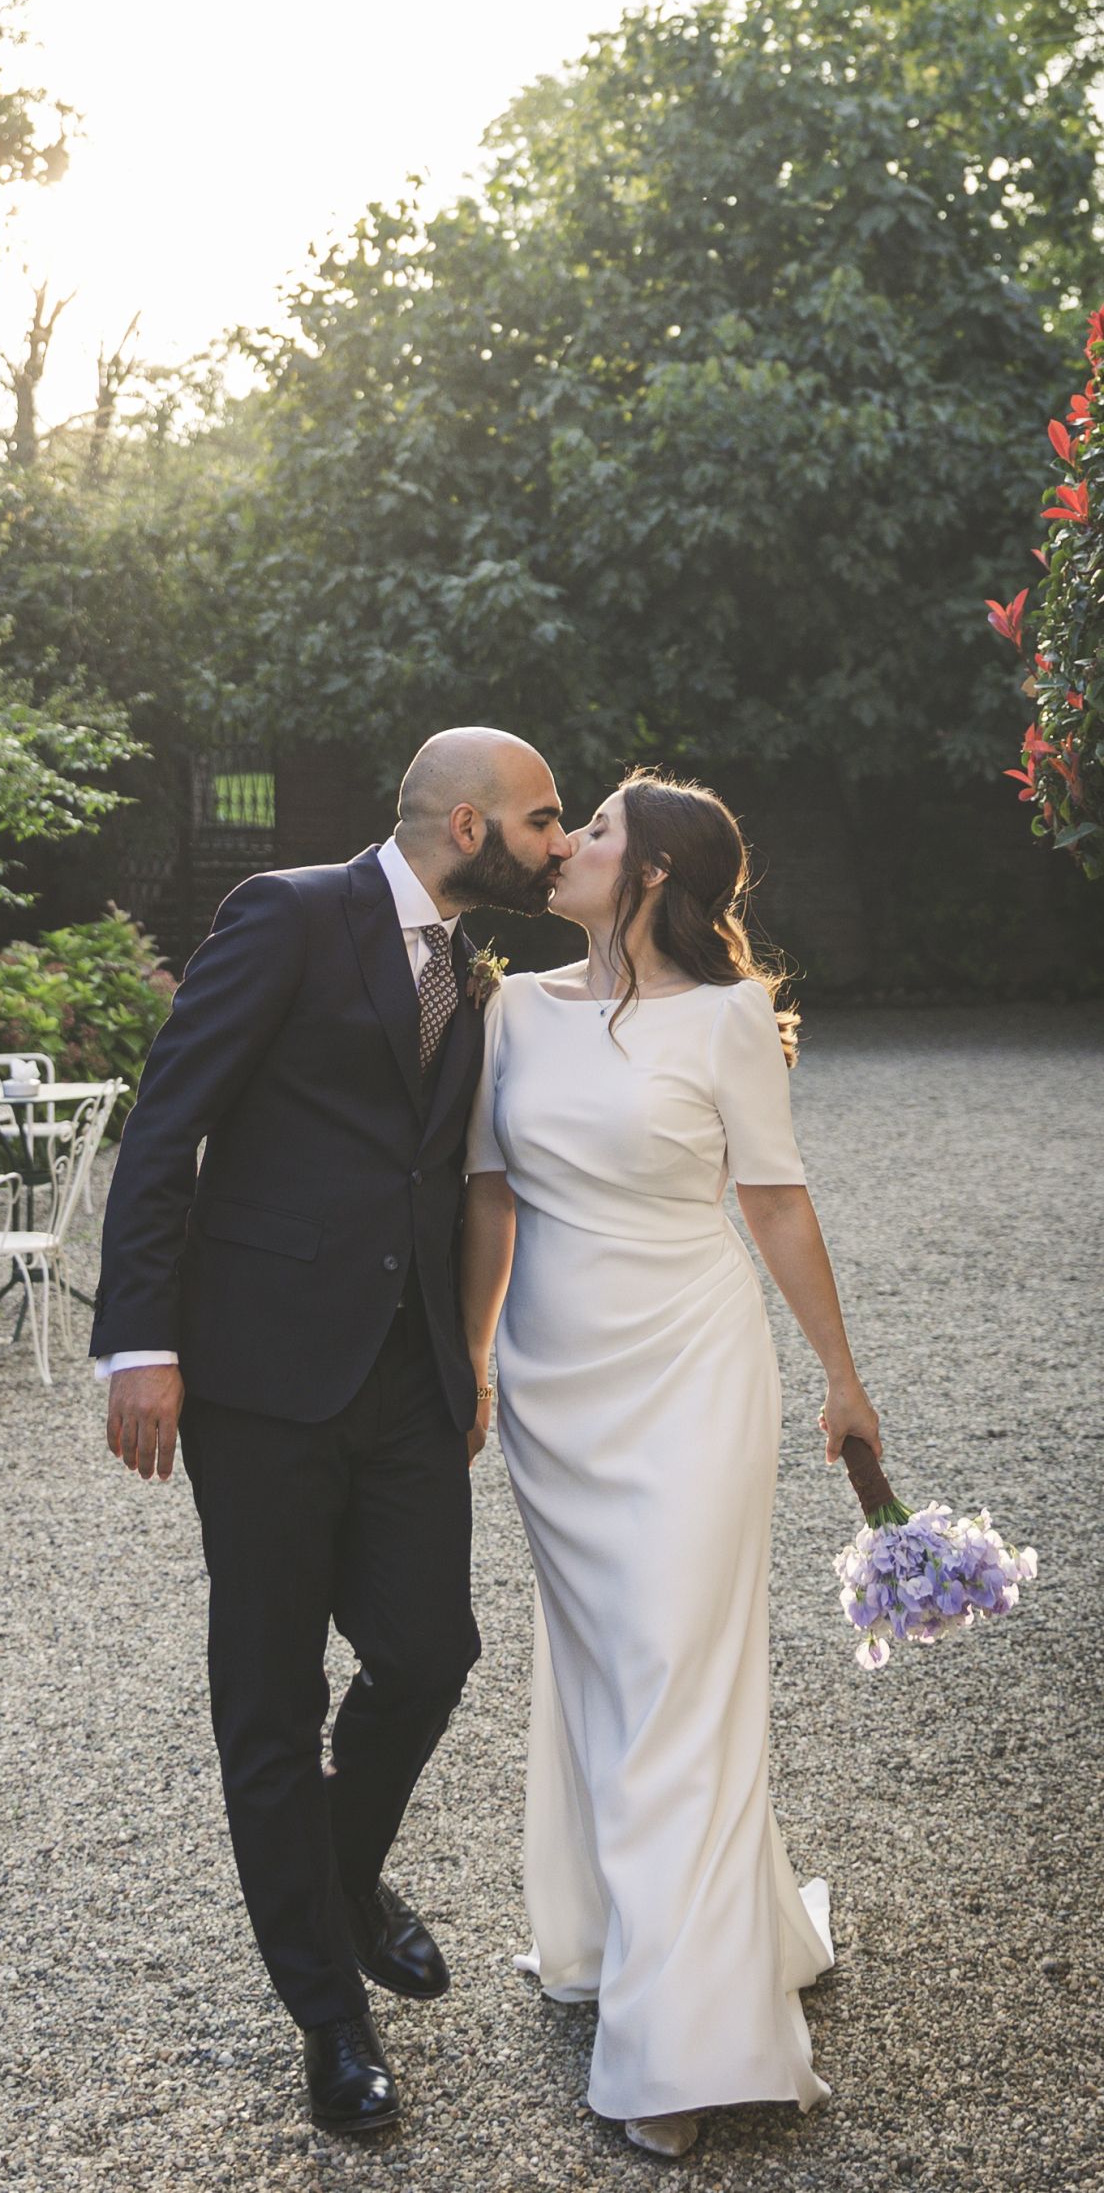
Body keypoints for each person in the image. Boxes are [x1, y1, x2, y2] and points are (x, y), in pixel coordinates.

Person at [92, 728, 570, 2135]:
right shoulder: (290, 914)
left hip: (410, 1376)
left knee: (430, 1653)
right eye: (544, 819)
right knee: (270, 1698)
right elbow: (167, 1123)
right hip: (259, 1379)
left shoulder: (471, 972)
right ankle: (329, 2018)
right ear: (471, 825)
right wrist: (142, 1343)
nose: (558, 843)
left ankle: (341, 1877)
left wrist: (466, 1357)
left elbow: (448, 1175)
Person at [460, 770, 881, 2161]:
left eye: (593, 831)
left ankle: (678, 2044)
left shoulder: (727, 1018)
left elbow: (777, 1201)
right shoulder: (513, 1009)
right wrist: (472, 1357)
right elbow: (488, 1193)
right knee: (613, 1677)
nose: (566, 844)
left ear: (648, 874)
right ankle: (664, 1934)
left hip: (695, 1372)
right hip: (557, 1394)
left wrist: (842, 1378)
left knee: (678, 1681)